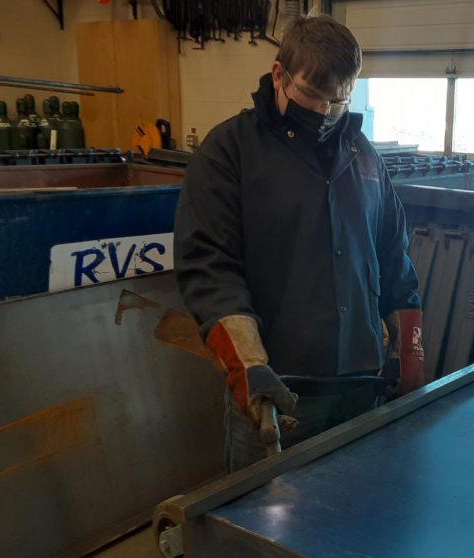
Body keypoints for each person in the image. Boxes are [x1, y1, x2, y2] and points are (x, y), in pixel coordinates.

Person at [174, 15, 424, 473]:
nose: (324, 113)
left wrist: (409, 348)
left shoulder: (363, 156)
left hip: (361, 388)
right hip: (278, 395)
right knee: (260, 535)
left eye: (338, 102)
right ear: (278, 75)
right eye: (311, 94)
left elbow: (393, 254)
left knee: (350, 521)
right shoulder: (229, 152)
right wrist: (248, 366)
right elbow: (209, 268)